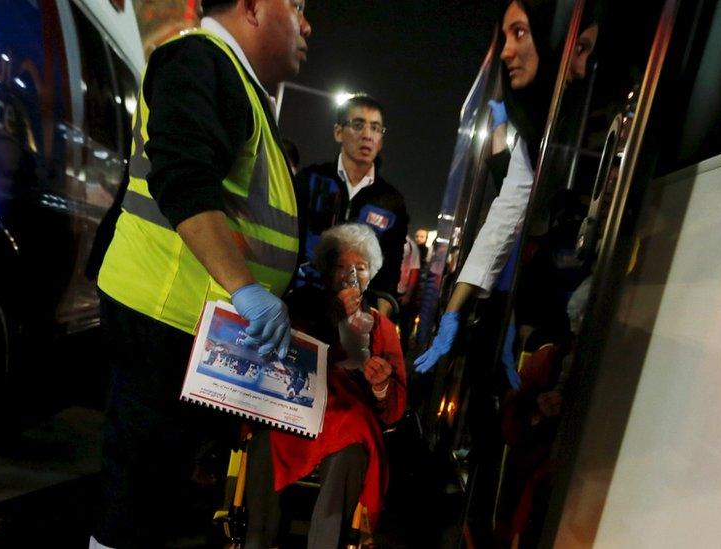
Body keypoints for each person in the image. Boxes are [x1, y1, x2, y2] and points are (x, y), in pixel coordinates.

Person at [90, 0, 311, 547]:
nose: (307, 25)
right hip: (164, 321)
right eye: (299, 7)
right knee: (132, 513)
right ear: (253, 6)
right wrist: (248, 290)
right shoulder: (199, 60)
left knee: (157, 509)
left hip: (193, 333)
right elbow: (182, 178)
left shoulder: (233, 79)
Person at [415, 0, 584, 374]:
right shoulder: (537, 127)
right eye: (505, 36)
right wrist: (454, 311)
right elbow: (506, 216)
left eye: (519, 33)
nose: (507, 51)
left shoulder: (593, 110)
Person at [245, 223, 407, 549]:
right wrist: (331, 315)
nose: (350, 276)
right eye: (340, 267)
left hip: (346, 420)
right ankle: (258, 538)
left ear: (371, 274)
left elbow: (394, 409)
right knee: (266, 435)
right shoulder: (300, 306)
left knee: (352, 446)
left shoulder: (383, 326)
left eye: (359, 268)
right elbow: (282, 358)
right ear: (326, 271)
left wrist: (380, 387)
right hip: (294, 408)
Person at [294, 94, 409, 317]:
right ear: (338, 132)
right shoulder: (310, 180)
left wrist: (378, 318)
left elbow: (391, 268)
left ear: (381, 139)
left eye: (376, 128)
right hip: (302, 305)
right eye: (358, 125)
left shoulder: (392, 201)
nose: (367, 135)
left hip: (357, 316)